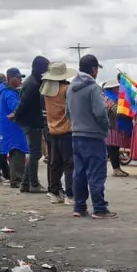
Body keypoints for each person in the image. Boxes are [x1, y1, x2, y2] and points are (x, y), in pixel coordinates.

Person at [67, 54, 117, 218]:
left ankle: (79, 207)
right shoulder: (93, 87)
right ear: (94, 70)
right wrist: (105, 127)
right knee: (96, 173)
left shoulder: (71, 88)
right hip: (93, 136)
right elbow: (100, 113)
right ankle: (99, 208)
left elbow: (67, 113)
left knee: (79, 173)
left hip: (76, 135)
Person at [42, 61, 77, 204]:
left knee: (55, 163)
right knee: (70, 164)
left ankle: (54, 191)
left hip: (52, 130)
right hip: (67, 130)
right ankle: (70, 194)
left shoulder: (46, 91)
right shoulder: (66, 89)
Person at [13, 56, 50, 193]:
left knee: (34, 153)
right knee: (35, 153)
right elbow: (23, 103)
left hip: (31, 121)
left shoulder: (33, 81)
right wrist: (16, 114)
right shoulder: (33, 84)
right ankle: (34, 184)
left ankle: (25, 183)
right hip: (31, 122)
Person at [0, 68, 29, 189]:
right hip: (13, 128)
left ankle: (15, 178)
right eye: (18, 78)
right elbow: (16, 108)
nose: (20, 80)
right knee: (17, 151)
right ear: (10, 78)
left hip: (8, 127)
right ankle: (17, 180)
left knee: (14, 152)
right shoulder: (10, 94)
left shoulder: (6, 91)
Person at [102, 81, 132, 178]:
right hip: (111, 127)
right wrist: (126, 111)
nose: (119, 89)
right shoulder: (108, 99)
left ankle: (117, 168)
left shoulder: (112, 98)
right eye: (117, 88)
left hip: (114, 126)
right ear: (113, 88)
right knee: (113, 148)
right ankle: (116, 169)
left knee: (115, 148)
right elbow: (116, 111)